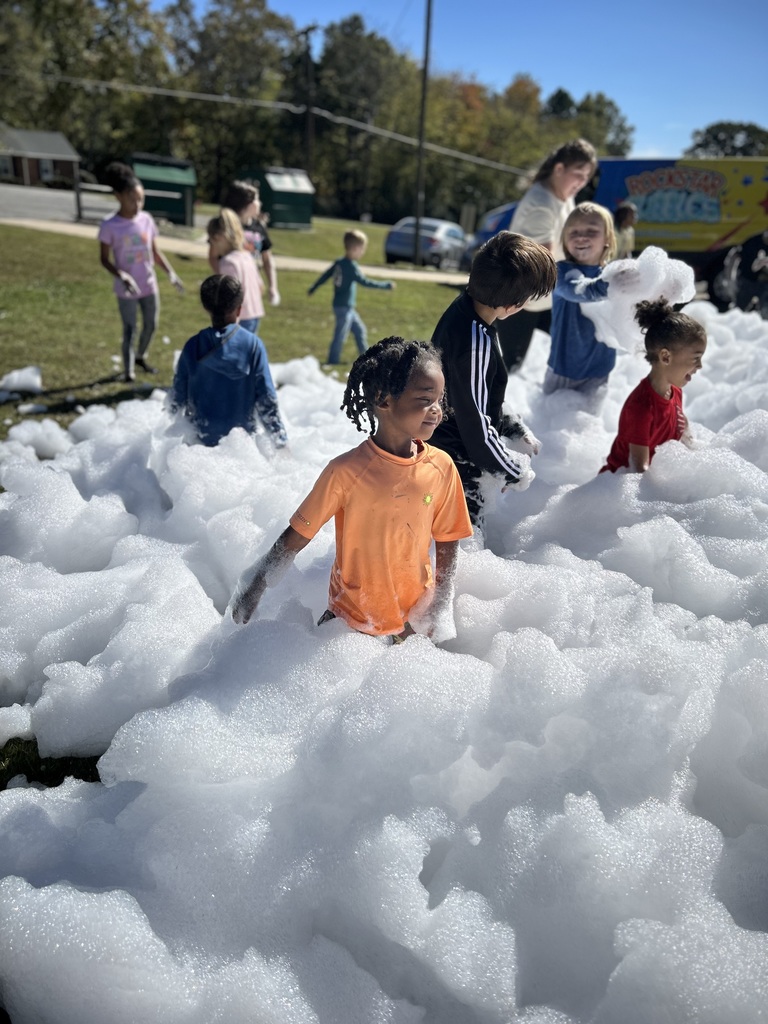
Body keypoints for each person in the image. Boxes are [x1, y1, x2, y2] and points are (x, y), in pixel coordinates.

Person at [229, 337, 472, 642]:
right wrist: (257, 582)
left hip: (411, 620)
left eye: (440, 398)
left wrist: (441, 600)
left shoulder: (441, 467)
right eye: (425, 400)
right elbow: (299, 533)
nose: (437, 410)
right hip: (349, 621)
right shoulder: (346, 472)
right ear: (384, 400)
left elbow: (448, 538)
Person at [429, 231, 557, 523]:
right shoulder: (475, 341)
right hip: (457, 466)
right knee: (460, 546)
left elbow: (477, 392)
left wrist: (512, 427)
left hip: (447, 452)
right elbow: (474, 422)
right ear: (513, 306)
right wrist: (514, 470)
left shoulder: (465, 311)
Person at [496, 138, 597, 372]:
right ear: (559, 168)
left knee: (576, 351)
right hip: (523, 301)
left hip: (546, 298)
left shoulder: (563, 195)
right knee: (509, 370)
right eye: (578, 174)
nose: (582, 183)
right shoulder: (541, 204)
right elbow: (545, 264)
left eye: (587, 177)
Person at [169, 274, 288, 449]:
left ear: (205, 307)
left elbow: (176, 399)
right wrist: (280, 442)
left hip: (198, 448)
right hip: (241, 449)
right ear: (240, 309)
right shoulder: (253, 345)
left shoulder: (192, 346)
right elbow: (266, 399)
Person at [98, 161, 184, 382]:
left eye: (140, 199)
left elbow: (154, 252)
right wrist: (121, 275)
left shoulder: (146, 220)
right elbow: (104, 259)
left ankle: (140, 356)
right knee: (130, 329)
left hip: (148, 283)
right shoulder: (109, 225)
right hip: (126, 287)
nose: (137, 204)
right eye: (131, 199)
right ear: (118, 196)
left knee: (151, 324)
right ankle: (128, 372)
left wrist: (171, 273)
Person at [602, 299, 707, 473]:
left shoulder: (674, 391)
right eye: (696, 358)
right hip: (616, 485)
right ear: (665, 357)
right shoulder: (641, 408)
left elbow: (680, 423)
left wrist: (693, 446)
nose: (700, 366)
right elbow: (638, 469)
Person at [544, 202, 619, 396]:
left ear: (607, 239)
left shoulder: (610, 274)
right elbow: (579, 291)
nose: (581, 237)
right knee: (548, 423)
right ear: (564, 238)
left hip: (600, 369)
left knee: (589, 424)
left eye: (591, 231)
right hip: (562, 368)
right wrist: (617, 285)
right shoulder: (559, 271)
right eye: (573, 232)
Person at [308, 229, 396, 365]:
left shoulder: (339, 262)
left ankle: (367, 359)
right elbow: (365, 282)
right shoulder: (351, 267)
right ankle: (332, 361)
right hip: (343, 308)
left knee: (360, 330)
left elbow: (325, 275)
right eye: (362, 249)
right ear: (355, 248)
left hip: (345, 307)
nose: (363, 252)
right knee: (340, 336)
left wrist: (314, 287)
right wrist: (386, 285)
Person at [211, 180, 280, 310]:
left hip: (251, 291)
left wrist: (272, 286)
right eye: (257, 199)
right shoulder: (226, 226)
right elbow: (213, 256)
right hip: (231, 291)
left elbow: (267, 259)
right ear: (247, 203)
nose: (260, 203)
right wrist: (225, 281)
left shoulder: (259, 227)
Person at [207, 209, 264, 334]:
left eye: (210, 241)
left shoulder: (228, 263)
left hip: (239, 321)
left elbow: (231, 301)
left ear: (219, 238)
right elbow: (260, 287)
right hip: (254, 316)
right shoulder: (247, 256)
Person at [734, 229, 768, 318]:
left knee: (764, 313)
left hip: (765, 284)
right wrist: (731, 279)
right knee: (738, 311)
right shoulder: (753, 241)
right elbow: (735, 256)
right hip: (747, 280)